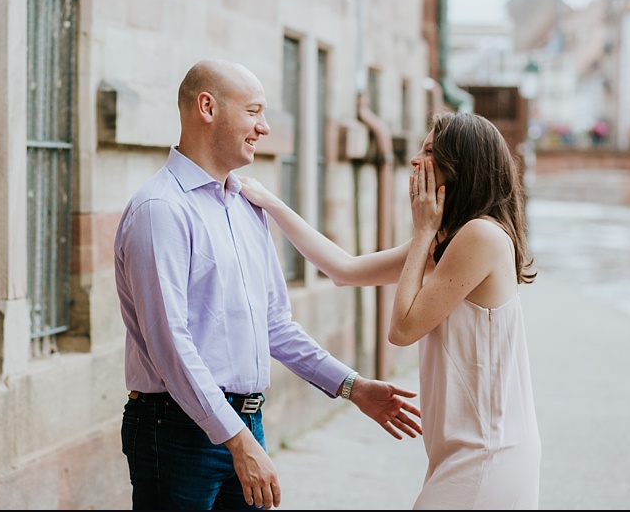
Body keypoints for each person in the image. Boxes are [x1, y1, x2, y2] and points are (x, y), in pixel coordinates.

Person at [115, 56, 421, 511]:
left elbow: (274, 324)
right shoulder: (160, 210)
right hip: (176, 433)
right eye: (254, 111)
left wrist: (352, 387)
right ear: (207, 107)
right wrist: (238, 441)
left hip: (242, 424)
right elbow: (170, 347)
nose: (265, 128)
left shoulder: (245, 205)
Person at [243, 112, 540, 511]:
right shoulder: (448, 240)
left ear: (462, 166)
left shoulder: (479, 236)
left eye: (430, 151)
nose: (415, 160)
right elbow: (343, 269)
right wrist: (270, 202)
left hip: (487, 451)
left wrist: (420, 234)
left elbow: (402, 329)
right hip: (465, 450)